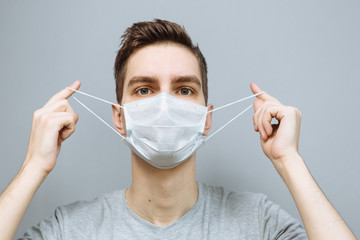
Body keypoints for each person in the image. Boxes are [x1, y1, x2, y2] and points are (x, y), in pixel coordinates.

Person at [0, 19, 355, 240]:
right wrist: (34, 167)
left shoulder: (258, 223)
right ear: (119, 117)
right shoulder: (70, 230)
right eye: (144, 90)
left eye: (184, 89)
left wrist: (289, 160)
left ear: (206, 116)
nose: (165, 105)